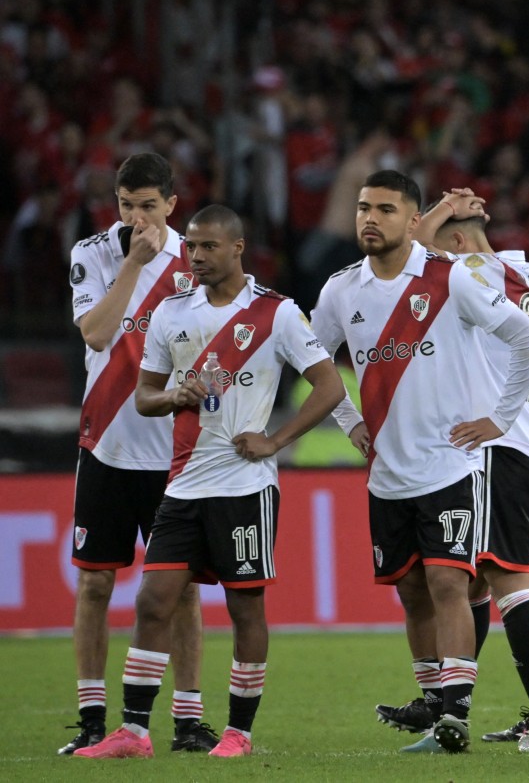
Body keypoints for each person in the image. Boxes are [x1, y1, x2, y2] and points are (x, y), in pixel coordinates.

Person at [75, 205, 345, 758]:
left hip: (245, 486)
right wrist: (175, 395)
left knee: (246, 608)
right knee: (153, 601)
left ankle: (239, 734)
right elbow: (146, 394)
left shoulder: (278, 313)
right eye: (191, 247)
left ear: (238, 248)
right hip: (183, 485)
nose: (195, 256)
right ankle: (134, 733)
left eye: (208, 247)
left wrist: (275, 440)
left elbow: (329, 387)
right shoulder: (172, 313)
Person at [310, 171, 529, 755]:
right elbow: (314, 359)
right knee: (412, 591)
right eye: (364, 207)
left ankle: (456, 713)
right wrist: (349, 423)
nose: (370, 218)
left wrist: (501, 418)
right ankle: (435, 701)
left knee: (450, 583)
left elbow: (524, 336)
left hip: (449, 464)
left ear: (413, 221)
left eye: (386, 210)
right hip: (387, 472)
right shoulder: (340, 291)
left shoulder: (451, 279)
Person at [372, 189, 529, 751]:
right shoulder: (523, 270)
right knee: (473, 579)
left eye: (442, 237)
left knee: (506, 578)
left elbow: (400, 247)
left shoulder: (470, 272)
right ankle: (445, 707)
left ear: (456, 241)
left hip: (498, 442)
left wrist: (434, 211)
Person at [62, 152, 212, 755]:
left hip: (176, 452)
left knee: (183, 592)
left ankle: (188, 721)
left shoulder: (196, 258)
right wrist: (132, 263)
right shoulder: (93, 253)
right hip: (106, 442)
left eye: (148, 206)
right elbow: (96, 333)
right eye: (127, 205)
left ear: (172, 205)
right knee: (96, 585)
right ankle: (94, 718)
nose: (137, 217)